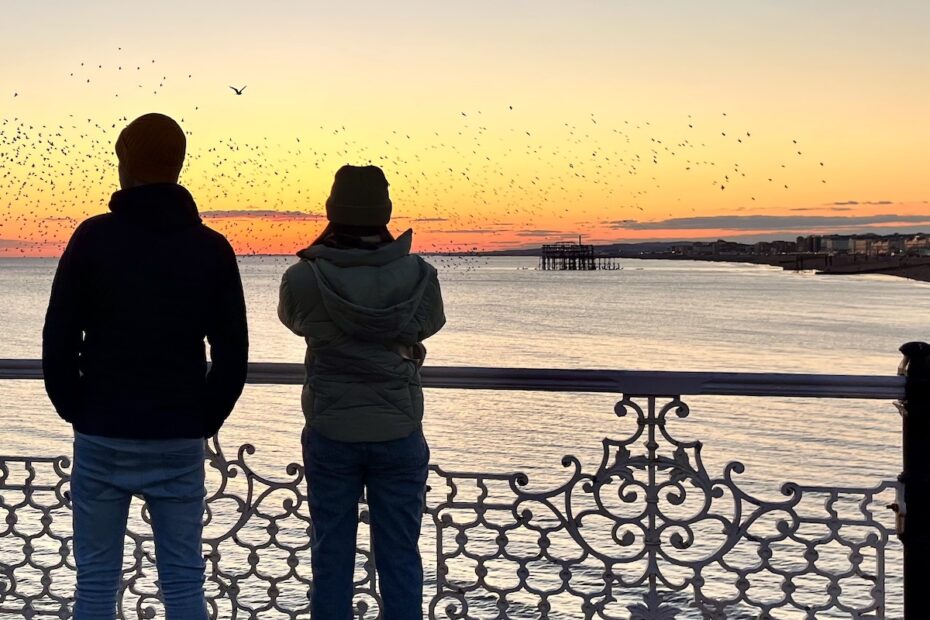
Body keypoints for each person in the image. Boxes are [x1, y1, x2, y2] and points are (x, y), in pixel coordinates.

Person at [42, 112, 249, 619]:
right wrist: (203, 419)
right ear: (178, 166)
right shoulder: (210, 248)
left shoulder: (93, 238)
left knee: (94, 585)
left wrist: (77, 408)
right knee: (182, 583)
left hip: (103, 429)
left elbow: (59, 337)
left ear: (126, 164)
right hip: (177, 434)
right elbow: (232, 353)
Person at [278, 164, 445, 619]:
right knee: (401, 557)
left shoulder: (303, 278)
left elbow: (293, 321)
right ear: (384, 212)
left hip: (331, 430)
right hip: (399, 430)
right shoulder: (420, 276)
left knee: (330, 556)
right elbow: (429, 323)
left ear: (333, 209)